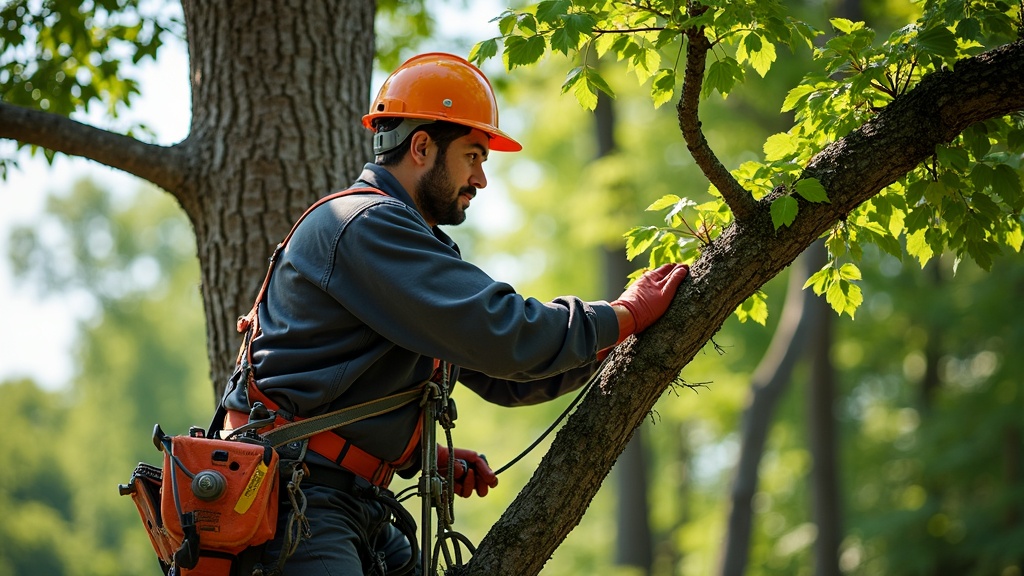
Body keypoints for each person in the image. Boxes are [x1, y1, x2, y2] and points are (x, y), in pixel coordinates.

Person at [219, 52, 689, 575]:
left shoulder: (403, 240)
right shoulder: (366, 225)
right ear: (422, 147)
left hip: (341, 496)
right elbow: (503, 333)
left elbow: (505, 378)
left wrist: (415, 451)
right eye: (473, 156)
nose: (481, 179)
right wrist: (623, 315)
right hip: (297, 497)